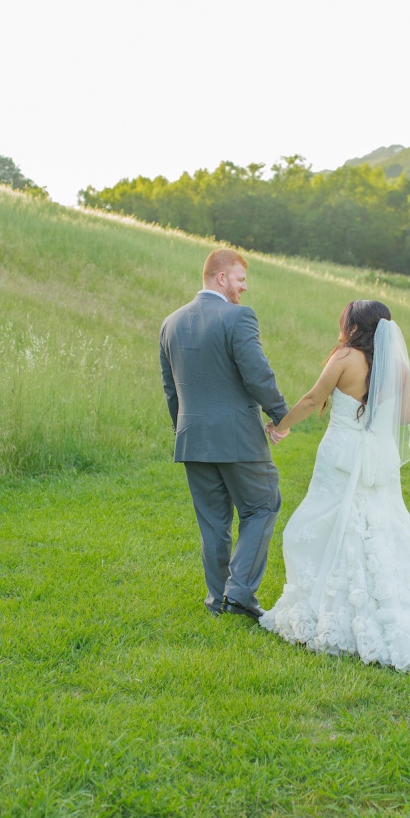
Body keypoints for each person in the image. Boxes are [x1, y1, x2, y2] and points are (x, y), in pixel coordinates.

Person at [261, 300, 410, 671]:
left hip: (341, 452)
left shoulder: (344, 356)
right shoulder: (396, 366)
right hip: (378, 453)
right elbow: (403, 415)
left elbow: (313, 398)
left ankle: (326, 609)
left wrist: (281, 426)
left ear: (353, 324)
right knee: (376, 522)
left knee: (317, 524)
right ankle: (380, 605)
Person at [160, 248, 289, 619]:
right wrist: (280, 415)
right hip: (237, 437)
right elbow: (257, 373)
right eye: (240, 279)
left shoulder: (170, 323)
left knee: (213, 522)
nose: (244, 288)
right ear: (221, 278)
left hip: (192, 436)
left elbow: (171, 390)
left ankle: (218, 601)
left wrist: (185, 429)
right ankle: (239, 593)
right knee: (262, 505)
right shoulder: (238, 317)